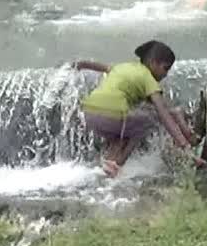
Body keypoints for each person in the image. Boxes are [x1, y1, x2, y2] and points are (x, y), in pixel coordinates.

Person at [77, 40, 198, 177]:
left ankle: (109, 165)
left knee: (125, 131)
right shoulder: (147, 78)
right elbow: (163, 114)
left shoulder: (124, 66)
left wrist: (79, 65)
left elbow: (99, 66)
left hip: (90, 114)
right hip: (112, 115)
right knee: (149, 119)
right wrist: (185, 146)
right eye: (165, 68)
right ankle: (118, 164)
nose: (166, 74)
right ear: (153, 63)